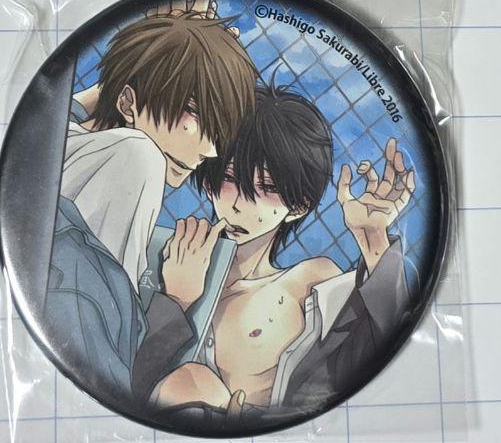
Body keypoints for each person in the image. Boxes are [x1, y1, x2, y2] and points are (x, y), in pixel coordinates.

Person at [133, 84, 415, 422]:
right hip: (169, 436)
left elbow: (388, 343)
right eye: (228, 178)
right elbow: (121, 372)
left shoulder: (308, 283)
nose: (239, 204)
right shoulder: (155, 259)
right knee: (192, 381)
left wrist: (373, 241)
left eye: (265, 188)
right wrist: (176, 299)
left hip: (288, 440)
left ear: (298, 206)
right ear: (208, 181)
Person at [40, 11, 257, 402]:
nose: (210, 150)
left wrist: (138, 69)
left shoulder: (56, 140)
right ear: (127, 101)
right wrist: (178, 298)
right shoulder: (138, 157)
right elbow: (115, 366)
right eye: (196, 115)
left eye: (219, 129)